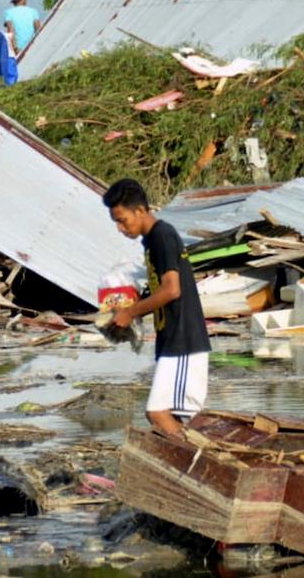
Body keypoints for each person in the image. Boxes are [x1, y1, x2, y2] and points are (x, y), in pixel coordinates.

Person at [104, 179, 210, 439]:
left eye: (123, 220)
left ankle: (195, 470)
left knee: (158, 413)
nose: (120, 228)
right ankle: (190, 468)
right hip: (172, 339)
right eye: (116, 222)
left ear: (140, 210)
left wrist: (130, 313)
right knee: (165, 416)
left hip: (184, 340)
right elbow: (161, 290)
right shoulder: (151, 241)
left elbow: (172, 290)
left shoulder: (162, 236)